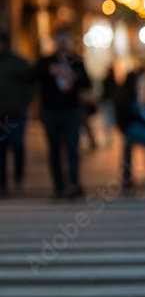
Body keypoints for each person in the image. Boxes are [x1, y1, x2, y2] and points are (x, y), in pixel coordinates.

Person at [33, 28, 91, 198]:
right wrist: (48, 71)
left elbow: (87, 83)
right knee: (54, 150)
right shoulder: (46, 61)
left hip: (70, 110)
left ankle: (73, 183)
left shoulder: (75, 61)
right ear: (54, 41)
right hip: (50, 110)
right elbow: (32, 78)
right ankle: (59, 186)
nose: (62, 43)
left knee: (72, 147)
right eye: (59, 40)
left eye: (65, 39)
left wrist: (75, 77)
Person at [0, 30, 34, 196]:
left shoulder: (17, 63)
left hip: (15, 112)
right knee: (1, 150)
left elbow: (31, 82)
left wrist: (25, 103)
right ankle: (3, 184)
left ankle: (18, 176)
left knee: (17, 145)